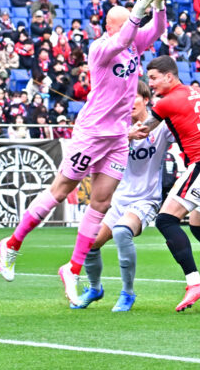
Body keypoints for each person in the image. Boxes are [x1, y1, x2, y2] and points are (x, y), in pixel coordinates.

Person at [0, 0, 168, 307]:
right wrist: (138, 8)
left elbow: (156, 29)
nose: (136, 23)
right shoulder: (101, 49)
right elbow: (126, 35)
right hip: (91, 132)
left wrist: (158, 3)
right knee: (60, 190)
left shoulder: (133, 45)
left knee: (101, 204)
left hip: (117, 136)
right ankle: (13, 243)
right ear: (112, 26)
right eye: (129, 20)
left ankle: (73, 269)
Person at [130, 56, 200, 312]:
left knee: (165, 220)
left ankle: (194, 282)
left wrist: (120, 134)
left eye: (154, 78)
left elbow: (143, 131)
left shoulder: (167, 102)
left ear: (169, 77)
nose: (151, 84)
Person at [73, 81, 176, 312]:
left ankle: (128, 293)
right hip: (118, 199)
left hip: (146, 199)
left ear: (146, 99)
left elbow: (186, 134)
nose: (128, 103)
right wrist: (125, 136)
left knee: (121, 232)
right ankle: (94, 288)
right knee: (90, 241)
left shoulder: (161, 127)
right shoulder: (116, 128)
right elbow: (94, 146)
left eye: (133, 97)